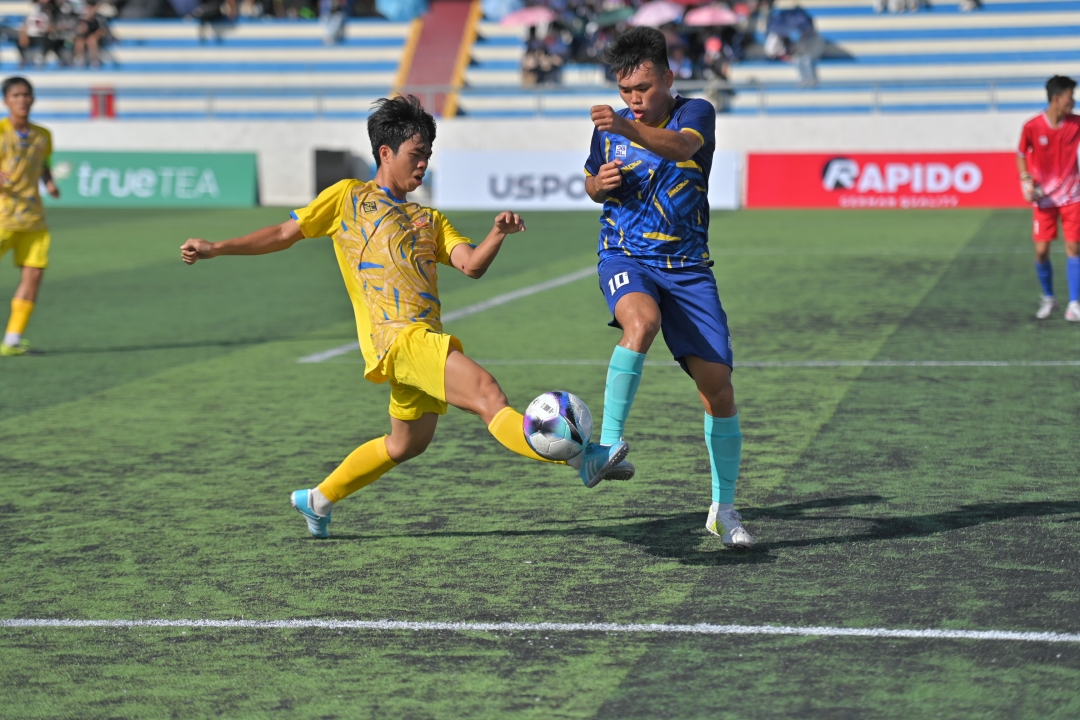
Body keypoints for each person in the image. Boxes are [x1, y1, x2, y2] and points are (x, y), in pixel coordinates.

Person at [180, 95, 629, 539]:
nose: (423, 165)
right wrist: (217, 247)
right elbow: (283, 232)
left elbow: (471, 265)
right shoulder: (349, 198)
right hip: (399, 339)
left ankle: (318, 499)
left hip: (417, 342)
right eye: (416, 155)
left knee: (406, 443)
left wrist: (497, 233)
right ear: (385, 153)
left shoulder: (428, 218)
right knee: (488, 395)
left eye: (428, 156)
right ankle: (580, 457)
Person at [584, 27, 753, 549]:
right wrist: (599, 185)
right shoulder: (611, 127)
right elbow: (590, 181)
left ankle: (723, 510)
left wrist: (626, 130)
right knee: (641, 322)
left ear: (669, 77)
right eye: (626, 90)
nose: (634, 99)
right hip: (626, 255)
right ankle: (605, 446)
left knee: (718, 389)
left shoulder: (695, 112)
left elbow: (681, 147)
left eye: (644, 88)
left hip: (687, 268)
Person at [0, 77, 58, 357]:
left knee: (33, 275)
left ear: (33, 99)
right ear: (6, 101)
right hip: (2, 215)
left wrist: (49, 181)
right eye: (15, 95)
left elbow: (44, 162)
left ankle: (12, 339)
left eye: (26, 94)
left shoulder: (43, 135)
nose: (22, 99)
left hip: (33, 218)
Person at [1018, 75, 1080, 322]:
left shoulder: (1076, 123)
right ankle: (1049, 298)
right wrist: (1024, 178)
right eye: (1070, 96)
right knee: (1041, 252)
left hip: (1073, 196)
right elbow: (1021, 153)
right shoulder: (1032, 126)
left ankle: (1074, 303)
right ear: (1057, 99)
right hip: (1044, 199)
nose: (1073, 101)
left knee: (1074, 248)